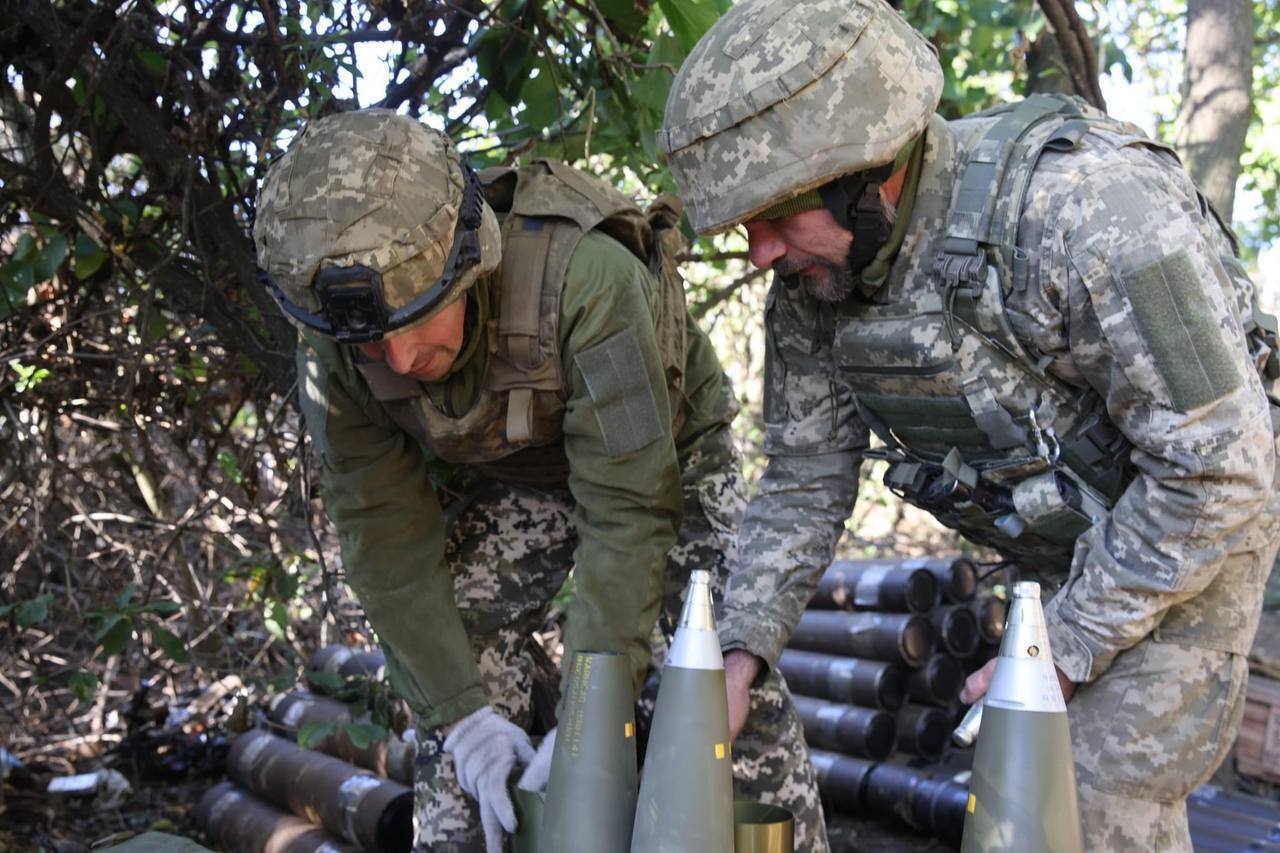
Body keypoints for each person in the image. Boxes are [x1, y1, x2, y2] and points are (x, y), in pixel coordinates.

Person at [658, 0, 1280, 849]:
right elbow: (805, 478)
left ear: (867, 173)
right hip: (1058, 545)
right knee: (1008, 807)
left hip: (1194, 532)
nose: (761, 252)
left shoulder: (1092, 212)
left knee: (1085, 805)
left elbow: (1222, 467)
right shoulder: (816, 287)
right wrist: (739, 655)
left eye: (774, 216)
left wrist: (1059, 647)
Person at [252, 109, 827, 852]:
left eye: (417, 321)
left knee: (711, 670)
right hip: (513, 469)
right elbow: (381, 531)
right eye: (370, 340)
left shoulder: (588, 277)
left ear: (471, 261)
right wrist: (462, 719)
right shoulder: (333, 346)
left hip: (663, 451)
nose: (396, 362)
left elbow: (629, 505)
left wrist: (597, 704)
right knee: (457, 648)